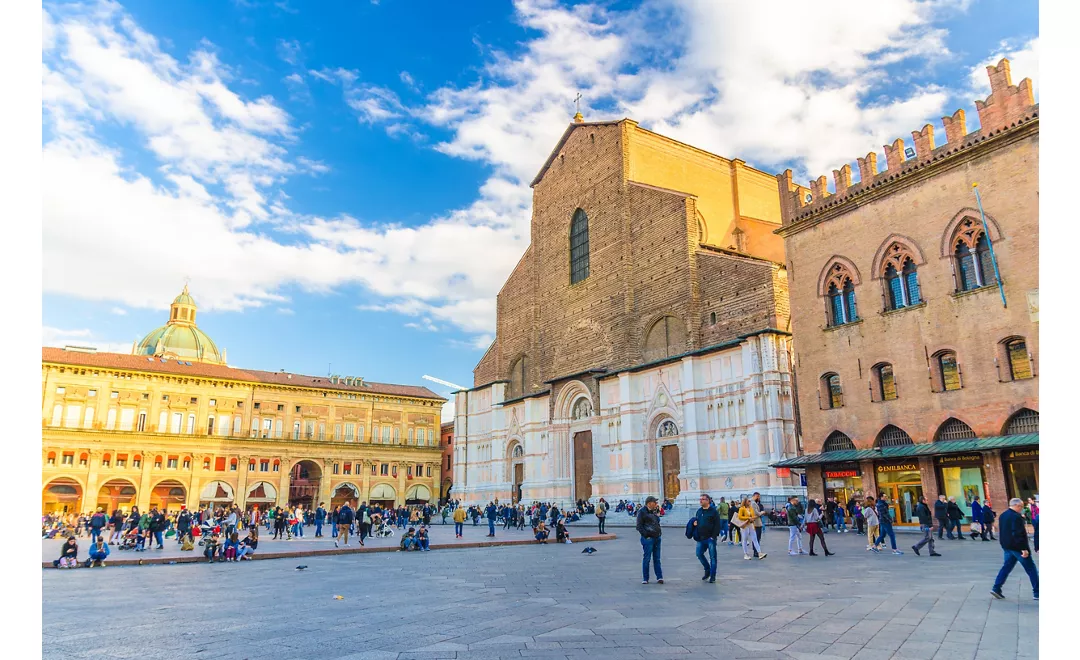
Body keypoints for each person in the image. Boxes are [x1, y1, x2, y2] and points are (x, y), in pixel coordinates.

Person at [991, 498, 1038, 601]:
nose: (1021, 509)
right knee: (1031, 569)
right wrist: (1024, 549)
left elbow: (1003, 531)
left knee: (1006, 567)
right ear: (1017, 506)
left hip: (1007, 546)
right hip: (1017, 548)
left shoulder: (1003, 515)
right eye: (1021, 507)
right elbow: (1017, 534)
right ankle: (1037, 592)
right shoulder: (1016, 517)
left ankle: (996, 588)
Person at [692, 494, 721, 583]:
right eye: (700, 499)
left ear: (708, 501)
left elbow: (717, 525)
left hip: (710, 538)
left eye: (703, 499)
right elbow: (697, 521)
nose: (701, 501)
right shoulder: (699, 511)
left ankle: (712, 575)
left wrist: (713, 536)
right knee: (699, 554)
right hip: (701, 538)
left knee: (712, 557)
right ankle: (707, 569)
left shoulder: (713, 512)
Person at [636, 496, 664, 584]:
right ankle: (645, 578)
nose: (656, 504)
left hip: (657, 537)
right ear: (649, 503)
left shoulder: (654, 511)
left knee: (657, 558)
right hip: (648, 539)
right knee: (647, 558)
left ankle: (659, 577)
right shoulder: (642, 512)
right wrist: (646, 535)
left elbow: (657, 522)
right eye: (654, 502)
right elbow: (639, 526)